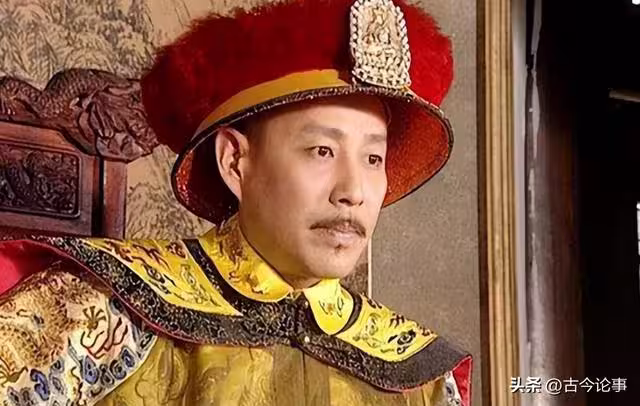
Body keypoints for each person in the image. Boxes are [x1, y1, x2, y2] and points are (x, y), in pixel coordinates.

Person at [0, 0, 472, 404]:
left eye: (373, 158)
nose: (354, 190)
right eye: (322, 151)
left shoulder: (420, 378)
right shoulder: (98, 306)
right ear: (235, 162)